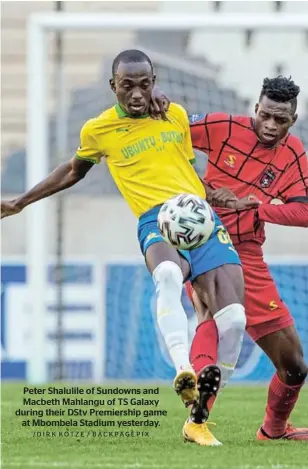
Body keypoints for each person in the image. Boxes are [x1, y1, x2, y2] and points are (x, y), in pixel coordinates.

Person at [1, 49, 258, 446]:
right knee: (169, 274)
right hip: (156, 220)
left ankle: (199, 413)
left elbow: (185, 169)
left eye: (145, 84)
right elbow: (72, 170)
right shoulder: (99, 129)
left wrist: (218, 196)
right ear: (113, 86)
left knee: (235, 321)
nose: (137, 94)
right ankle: (182, 369)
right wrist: (20, 201)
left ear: (154, 82)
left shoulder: (172, 114)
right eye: (127, 86)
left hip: (200, 217)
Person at [153, 75, 308, 441]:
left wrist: (260, 207)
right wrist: (159, 98)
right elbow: (168, 133)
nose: (270, 125)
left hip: (250, 254)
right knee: (214, 316)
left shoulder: (294, 154)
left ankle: (273, 431)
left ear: (293, 119)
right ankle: (197, 414)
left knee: (295, 366)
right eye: (265, 115)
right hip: (209, 242)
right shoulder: (224, 126)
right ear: (255, 108)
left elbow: (304, 211)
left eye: (280, 119)